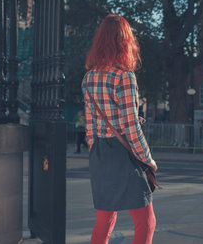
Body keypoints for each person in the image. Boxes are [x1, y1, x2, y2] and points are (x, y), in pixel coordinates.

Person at [82, 14, 157, 244]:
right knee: (146, 221)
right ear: (125, 41)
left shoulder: (89, 77)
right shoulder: (125, 76)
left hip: (101, 152)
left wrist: (96, 151)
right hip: (123, 153)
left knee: (105, 218)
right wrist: (147, 159)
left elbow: (89, 127)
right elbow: (131, 127)